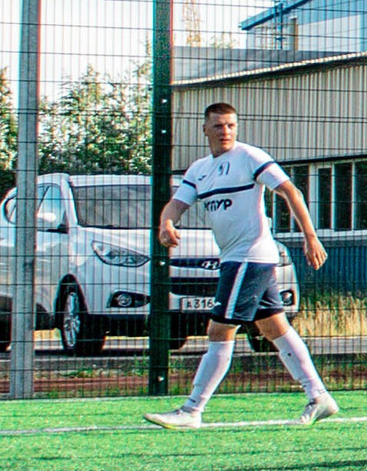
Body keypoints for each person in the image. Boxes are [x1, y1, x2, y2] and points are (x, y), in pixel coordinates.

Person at [143, 102, 338, 430]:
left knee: (219, 330)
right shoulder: (200, 169)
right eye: (218, 126)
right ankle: (319, 396)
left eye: (231, 125)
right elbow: (176, 204)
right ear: (205, 129)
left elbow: (290, 190)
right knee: (275, 328)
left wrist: (310, 236)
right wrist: (166, 223)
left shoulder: (250, 157)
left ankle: (193, 409)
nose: (225, 132)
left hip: (250, 256)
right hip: (235, 257)